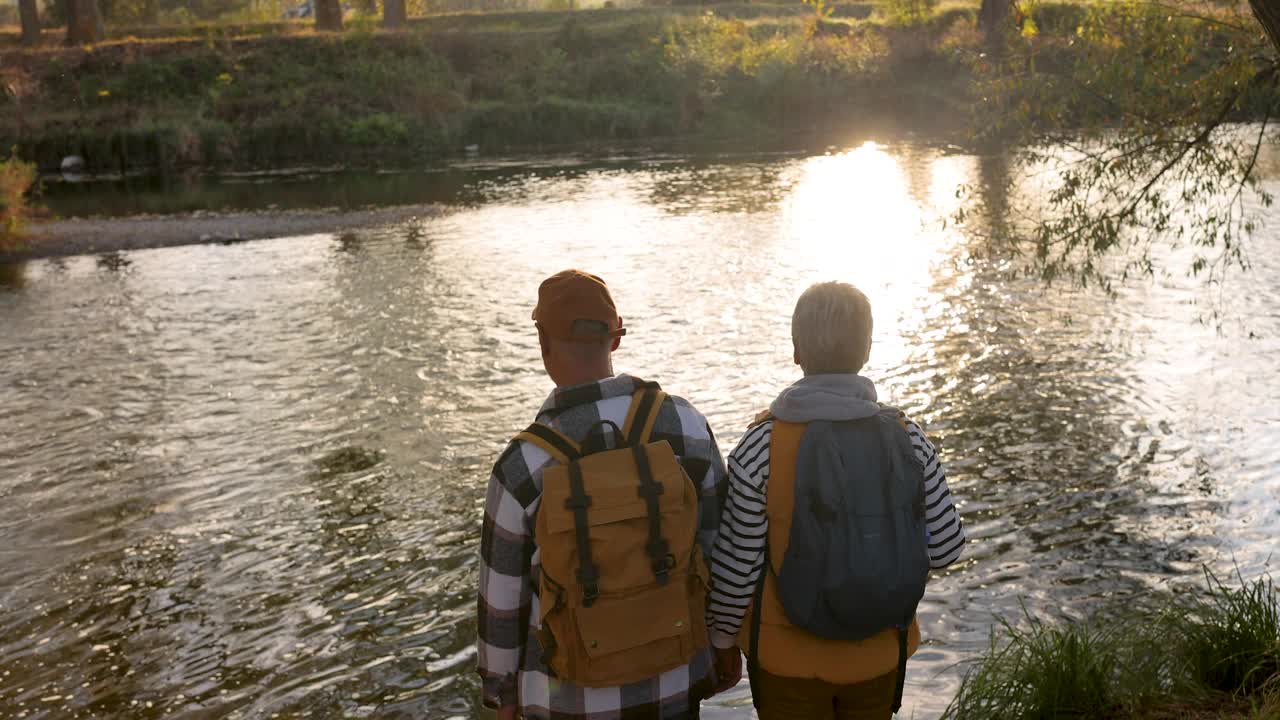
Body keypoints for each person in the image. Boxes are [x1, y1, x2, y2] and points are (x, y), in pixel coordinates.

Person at [476, 269, 731, 720]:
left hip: (565, 702)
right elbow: (718, 550)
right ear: (615, 340)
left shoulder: (522, 465)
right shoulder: (685, 424)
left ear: (542, 344)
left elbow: (502, 604)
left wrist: (503, 695)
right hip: (674, 682)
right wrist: (723, 647)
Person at [706, 281, 966, 720]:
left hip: (786, 665)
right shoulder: (908, 438)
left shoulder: (760, 446)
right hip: (880, 657)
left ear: (796, 352)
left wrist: (720, 644)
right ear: (866, 350)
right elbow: (945, 548)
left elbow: (737, 569)